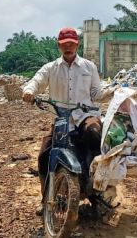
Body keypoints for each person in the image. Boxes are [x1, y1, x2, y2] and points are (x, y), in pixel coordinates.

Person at [22, 27, 112, 216]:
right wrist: (29, 91)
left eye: (71, 44)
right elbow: (37, 81)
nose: (68, 47)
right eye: (64, 45)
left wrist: (111, 92)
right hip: (62, 118)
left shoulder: (89, 67)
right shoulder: (51, 68)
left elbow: (96, 94)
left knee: (96, 136)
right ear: (59, 46)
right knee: (45, 153)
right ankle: (47, 199)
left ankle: (100, 191)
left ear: (77, 44)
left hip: (86, 115)